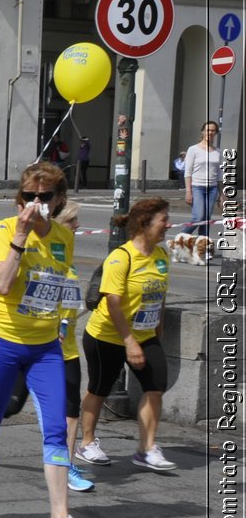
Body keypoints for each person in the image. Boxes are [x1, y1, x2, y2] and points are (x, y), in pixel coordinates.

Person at [0, 163, 98, 518]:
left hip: (46, 347)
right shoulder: (4, 230)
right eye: (29, 197)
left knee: (55, 428)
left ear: (60, 199)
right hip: (1, 340)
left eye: (45, 197)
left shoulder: (62, 237)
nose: (36, 204)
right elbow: (2, 284)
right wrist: (20, 236)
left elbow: (57, 281)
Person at [78, 197, 175, 473]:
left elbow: (160, 294)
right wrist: (129, 341)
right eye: (163, 220)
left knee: (156, 386)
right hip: (106, 335)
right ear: (145, 224)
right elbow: (112, 302)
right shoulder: (122, 257)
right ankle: (86, 442)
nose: (169, 225)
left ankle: (146, 449)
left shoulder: (161, 255)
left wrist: (158, 329)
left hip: (145, 334)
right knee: (99, 388)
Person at [183, 121, 221, 237]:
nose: (210, 133)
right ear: (202, 131)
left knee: (206, 220)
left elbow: (219, 174)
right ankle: (181, 237)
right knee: (198, 217)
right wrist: (188, 192)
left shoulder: (218, 152)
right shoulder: (193, 149)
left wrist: (222, 194)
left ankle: (202, 248)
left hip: (212, 189)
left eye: (213, 130)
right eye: (207, 130)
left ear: (216, 133)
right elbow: (187, 172)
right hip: (197, 187)